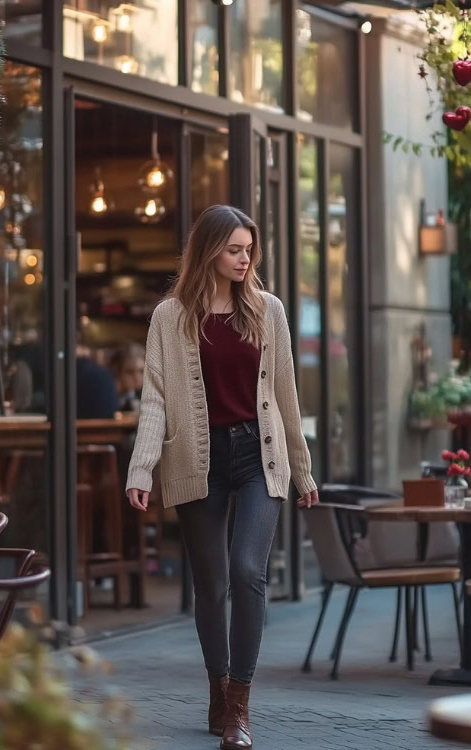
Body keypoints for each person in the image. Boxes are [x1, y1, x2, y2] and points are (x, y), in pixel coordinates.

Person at [126, 204, 319, 750]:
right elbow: (156, 401)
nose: (245, 258)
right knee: (209, 585)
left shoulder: (268, 310)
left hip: (258, 457)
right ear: (209, 250)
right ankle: (217, 687)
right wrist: (142, 468)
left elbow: (286, 396)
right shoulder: (170, 316)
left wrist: (302, 472)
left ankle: (239, 705)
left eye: (249, 249)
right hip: (197, 459)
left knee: (246, 570)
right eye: (234, 249)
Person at [108, 345, 145, 412]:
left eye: (141, 371)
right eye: (129, 372)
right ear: (117, 372)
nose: (137, 378)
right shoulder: (109, 397)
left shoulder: (146, 395)